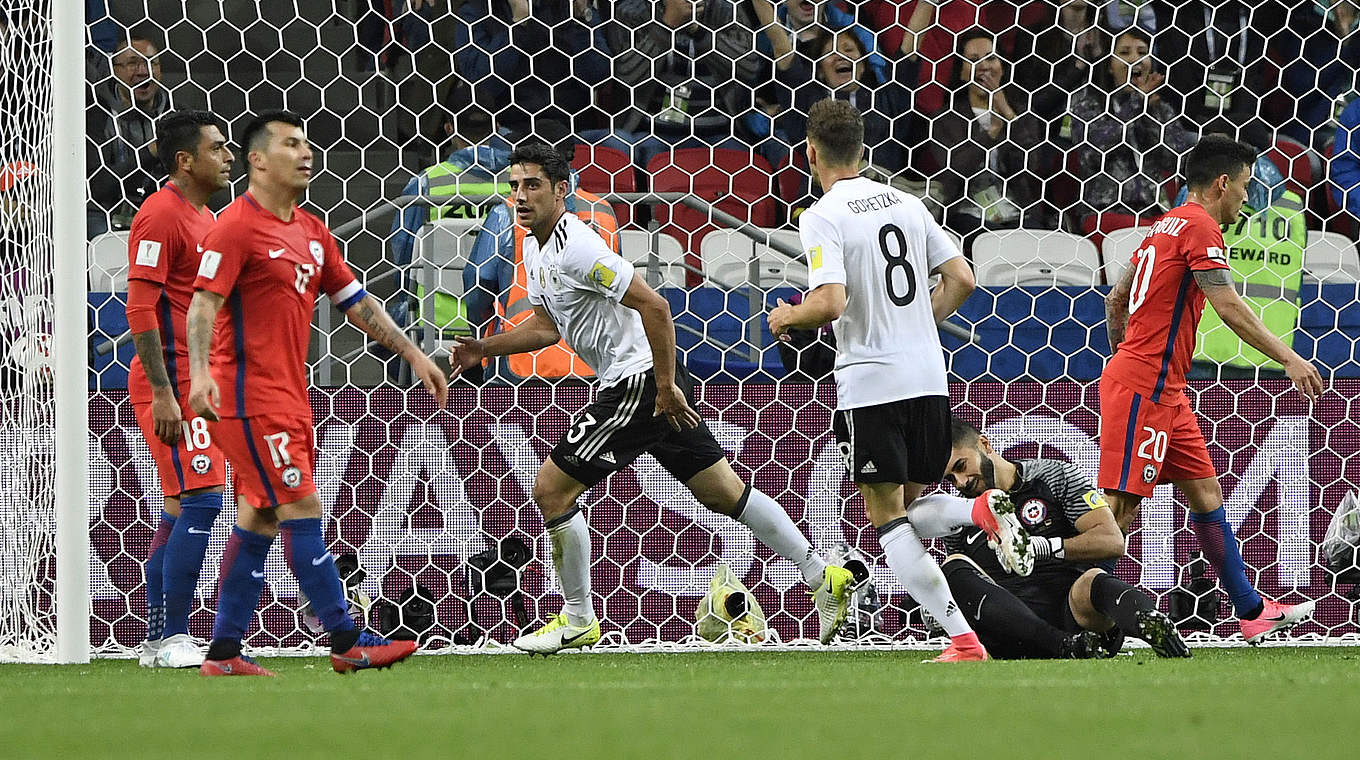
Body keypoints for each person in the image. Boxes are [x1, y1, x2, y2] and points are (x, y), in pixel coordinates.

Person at [447, 142, 858, 653]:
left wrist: (664, 388)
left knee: (551, 490)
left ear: (560, 191)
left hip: (638, 380)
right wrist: (484, 347)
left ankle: (577, 618)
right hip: (646, 381)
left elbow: (657, 307)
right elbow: (548, 328)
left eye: (532, 185)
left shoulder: (580, 247)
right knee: (724, 493)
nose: (520, 196)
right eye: (514, 186)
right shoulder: (534, 247)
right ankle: (824, 577)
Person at [186, 111, 449, 676]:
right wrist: (200, 373)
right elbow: (203, 303)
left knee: (258, 516)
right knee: (301, 507)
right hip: (249, 398)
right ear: (256, 159)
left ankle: (224, 651)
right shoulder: (234, 227)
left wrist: (414, 353)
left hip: (290, 395)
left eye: (307, 143)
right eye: (290, 144)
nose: (305, 153)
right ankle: (346, 637)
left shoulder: (311, 230)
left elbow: (357, 304)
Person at [767, 99, 1029, 662]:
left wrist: (786, 316)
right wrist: (917, 321)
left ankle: (962, 638)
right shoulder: (908, 203)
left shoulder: (821, 215)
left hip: (872, 385)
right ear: (863, 150)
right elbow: (962, 277)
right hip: (929, 377)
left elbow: (830, 302)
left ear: (810, 153)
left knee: (886, 519)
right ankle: (979, 511)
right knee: (912, 510)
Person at [1100, 134, 1325, 645]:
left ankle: (1250, 610)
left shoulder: (1164, 224)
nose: (1247, 199)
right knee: (1120, 507)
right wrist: (1289, 357)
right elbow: (1227, 306)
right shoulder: (1200, 225)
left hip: (1164, 388)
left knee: (1205, 494)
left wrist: (1125, 351)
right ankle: (1075, 610)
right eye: (1245, 188)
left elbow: (1117, 298)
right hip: (1147, 386)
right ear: (1222, 183)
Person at [908, 419, 1190, 659]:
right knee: (954, 566)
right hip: (1012, 634)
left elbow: (1112, 541)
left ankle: (1150, 622)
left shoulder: (1053, 477)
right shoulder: (960, 513)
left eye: (961, 466)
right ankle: (1065, 646)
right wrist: (939, 607)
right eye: (950, 478)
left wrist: (1042, 548)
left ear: (985, 444)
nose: (961, 482)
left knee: (1091, 582)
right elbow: (968, 584)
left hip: (1078, 617)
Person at [124, 110, 234, 669]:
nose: (229, 156)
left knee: (177, 508)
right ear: (185, 160)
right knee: (205, 498)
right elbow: (141, 306)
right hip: (172, 383)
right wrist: (165, 392)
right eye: (217, 148)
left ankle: (156, 638)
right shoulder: (161, 215)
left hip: (198, 382)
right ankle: (172, 637)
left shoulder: (204, 216)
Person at [927, 27, 1049, 241]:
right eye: (973, 59)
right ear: (962, 72)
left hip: (1018, 215)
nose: (983, 67)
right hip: (967, 216)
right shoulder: (945, 119)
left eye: (990, 58)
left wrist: (1009, 115)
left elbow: (1029, 167)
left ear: (1002, 67)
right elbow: (957, 170)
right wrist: (991, 132)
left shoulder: (1022, 114)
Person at [1069, 26, 1198, 221]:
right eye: (1124, 52)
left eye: (1142, 52)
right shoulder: (1088, 106)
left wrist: (1149, 112)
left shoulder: (1161, 109)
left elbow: (1174, 160)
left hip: (1155, 211)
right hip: (1105, 212)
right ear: (1110, 65)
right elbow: (1094, 153)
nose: (1134, 59)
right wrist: (1137, 103)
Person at [87, 25, 175, 238]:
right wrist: (150, 152)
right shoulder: (96, 114)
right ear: (114, 70)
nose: (143, 71)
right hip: (106, 213)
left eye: (151, 62)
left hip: (158, 212)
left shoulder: (175, 115)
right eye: (132, 63)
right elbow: (97, 187)